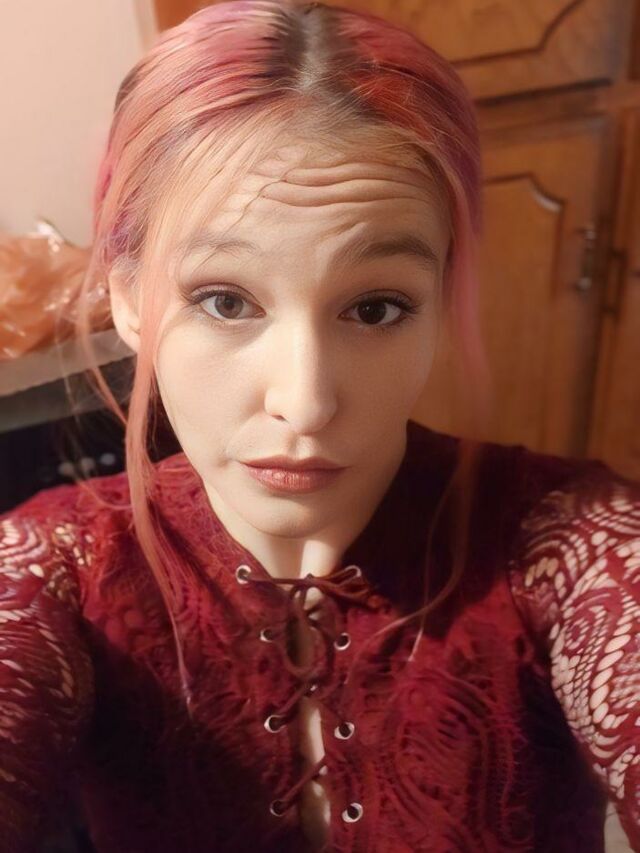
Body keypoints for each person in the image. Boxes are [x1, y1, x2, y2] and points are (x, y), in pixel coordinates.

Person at [1, 1, 638, 851]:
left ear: (441, 299)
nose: (304, 404)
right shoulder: (56, 564)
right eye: (225, 300)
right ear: (126, 296)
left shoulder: (562, 540)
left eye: (374, 307)